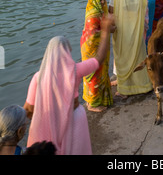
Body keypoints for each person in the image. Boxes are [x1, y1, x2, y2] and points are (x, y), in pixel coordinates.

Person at [23, 18, 113, 155]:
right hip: (74, 119)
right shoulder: (75, 71)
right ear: (67, 53)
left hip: (47, 124)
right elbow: (99, 59)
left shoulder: (38, 77)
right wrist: (106, 31)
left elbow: (28, 109)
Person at [108, 0, 152, 98]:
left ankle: (125, 90)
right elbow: (144, 4)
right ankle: (143, 85)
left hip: (122, 30)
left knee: (123, 57)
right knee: (138, 54)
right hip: (136, 28)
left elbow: (111, 10)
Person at [80, 0, 114, 112]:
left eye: (105, 0)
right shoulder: (93, 16)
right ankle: (92, 104)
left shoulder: (101, 11)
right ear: (94, 0)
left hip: (99, 47)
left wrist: (108, 28)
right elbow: (94, 35)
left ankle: (100, 98)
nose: (103, 3)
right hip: (92, 49)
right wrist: (108, 29)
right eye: (100, 0)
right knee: (94, 74)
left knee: (101, 73)